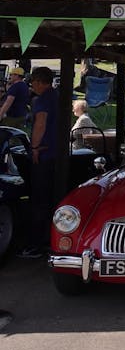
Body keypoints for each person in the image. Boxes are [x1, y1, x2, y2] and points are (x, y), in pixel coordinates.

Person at [19, 66, 59, 259]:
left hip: (43, 153)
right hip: (56, 153)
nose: (31, 85)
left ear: (40, 82)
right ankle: (48, 239)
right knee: (50, 198)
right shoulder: (57, 96)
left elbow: (40, 123)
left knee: (39, 200)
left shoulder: (42, 100)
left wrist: (34, 147)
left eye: (33, 81)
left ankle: (36, 244)